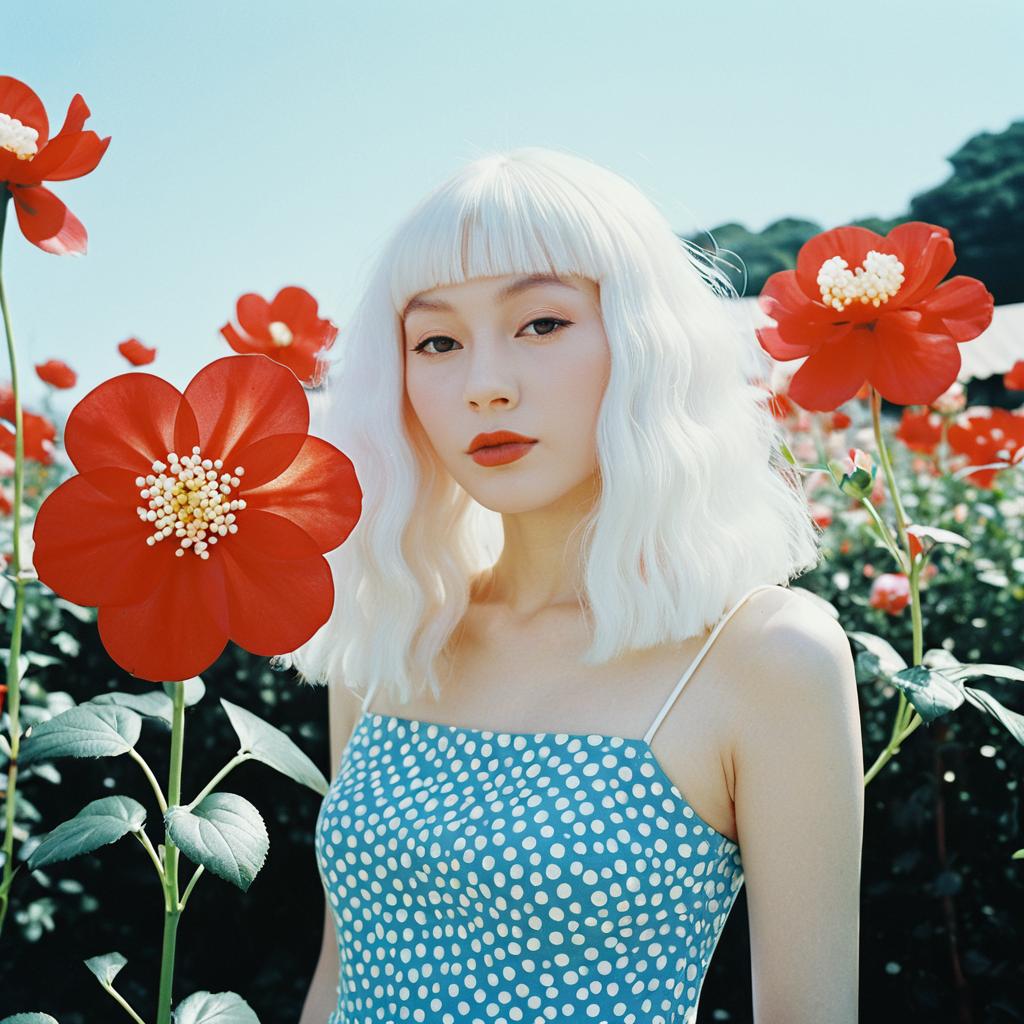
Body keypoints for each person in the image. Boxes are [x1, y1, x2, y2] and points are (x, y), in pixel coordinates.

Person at [293, 147, 863, 1024]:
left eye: (542, 324)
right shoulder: (390, 628)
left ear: (644, 340)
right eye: (436, 341)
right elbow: (338, 974)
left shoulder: (763, 655)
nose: (485, 385)